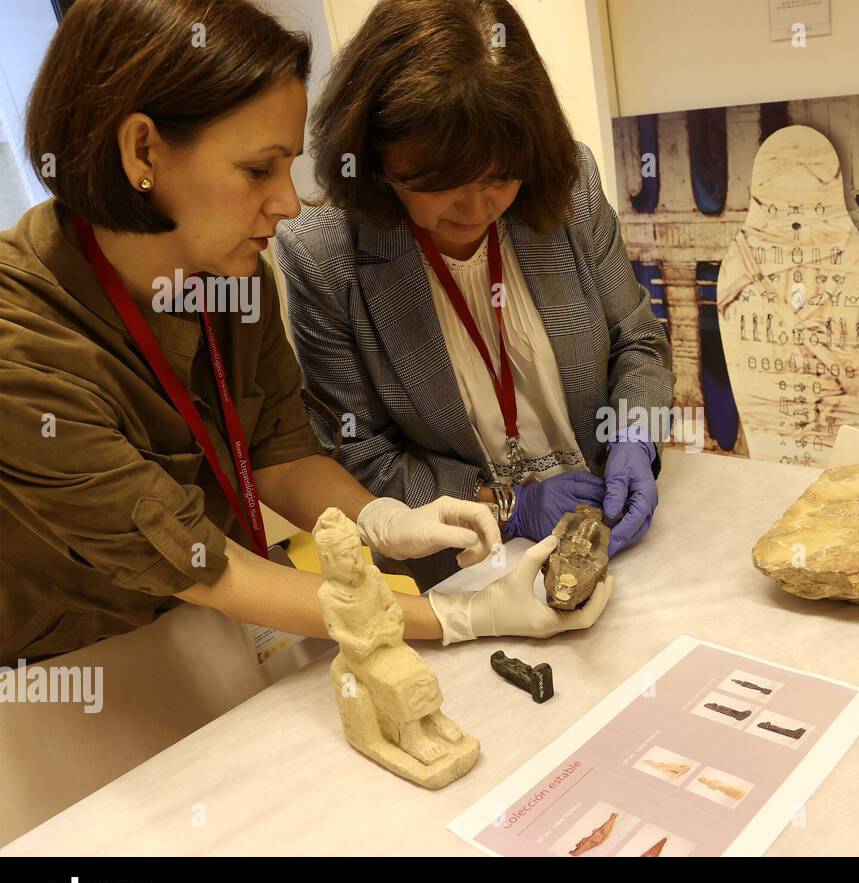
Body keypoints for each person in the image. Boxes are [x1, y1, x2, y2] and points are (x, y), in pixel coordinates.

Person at [0, 0, 610, 666]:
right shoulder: (22, 349)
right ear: (143, 149)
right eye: (259, 170)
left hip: (213, 624)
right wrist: (456, 614)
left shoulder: (229, 273)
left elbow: (279, 452)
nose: (288, 202)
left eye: (290, 164)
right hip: (66, 673)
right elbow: (206, 565)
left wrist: (382, 517)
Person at [276, 0, 674, 592]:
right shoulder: (327, 257)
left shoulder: (569, 186)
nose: (477, 209)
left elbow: (637, 343)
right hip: (468, 575)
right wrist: (506, 503)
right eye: (441, 186)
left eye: (500, 179)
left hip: (615, 539)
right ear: (378, 159)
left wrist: (635, 435)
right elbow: (362, 458)